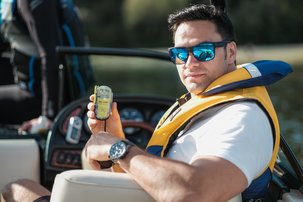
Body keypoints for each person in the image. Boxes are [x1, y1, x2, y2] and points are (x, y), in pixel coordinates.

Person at [1, 3, 292, 202]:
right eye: (180, 53)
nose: (189, 62)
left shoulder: (240, 117)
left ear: (230, 53)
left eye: (203, 51)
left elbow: (194, 191)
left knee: (17, 188)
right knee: (17, 187)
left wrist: (118, 148)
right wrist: (114, 136)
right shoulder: (203, 107)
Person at [0, 0, 94, 131]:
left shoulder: (36, 3)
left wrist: (47, 117)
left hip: (46, 96)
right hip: (29, 82)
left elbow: (51, 57)